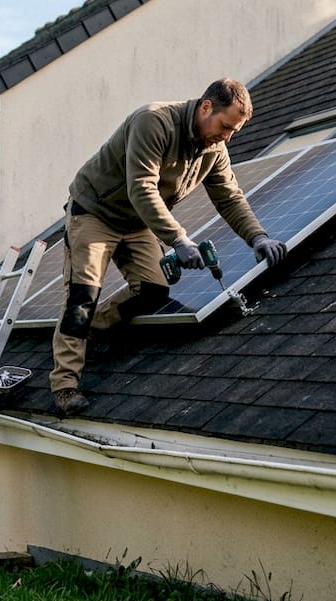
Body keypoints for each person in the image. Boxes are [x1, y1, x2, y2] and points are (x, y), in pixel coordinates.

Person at [50, 78, 286, 417]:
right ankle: (64, 386)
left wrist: (258, 237)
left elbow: (230, 198)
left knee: (153, 289)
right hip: (95, 213)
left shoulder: (215, 150)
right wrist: (178, 238)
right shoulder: (154, 121)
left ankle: (91, 331)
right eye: (224, 126)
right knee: (81, 298)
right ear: (206, 107)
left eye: (234, 131)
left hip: (136, 223)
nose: (228, 136)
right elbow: (142, 189)